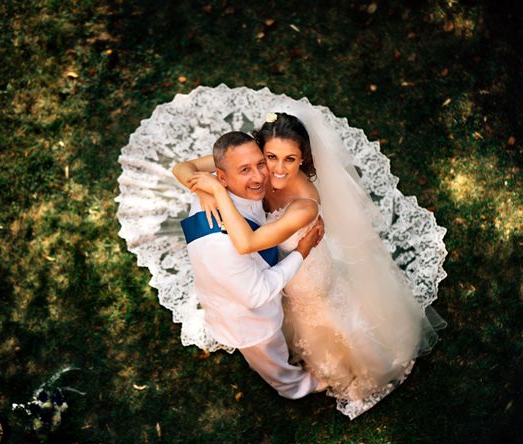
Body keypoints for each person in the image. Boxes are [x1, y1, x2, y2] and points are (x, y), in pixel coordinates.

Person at [173, 103, 446, 419]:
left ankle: (360, 362)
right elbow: (183, 167)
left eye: (289, 160)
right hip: (277, 264)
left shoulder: (304, 204)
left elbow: (247, 243)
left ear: (304, 159)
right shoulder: (255, 160)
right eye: (269, 158)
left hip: (308, 276)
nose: (274, 170)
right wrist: (203, 190)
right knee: (288, 311)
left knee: (322, 316)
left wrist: (217, 193)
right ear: (260, 149)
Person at [178, 130, 326, 399]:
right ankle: (295, 387)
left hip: (246, 274)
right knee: (272, 356)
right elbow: (257, 293)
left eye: (260, 164)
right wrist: (301, 252)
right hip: (248, 319)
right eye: (245, 170)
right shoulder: (220, 245)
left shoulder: (217, 191)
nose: (259, 177)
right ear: (221, 178)